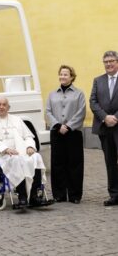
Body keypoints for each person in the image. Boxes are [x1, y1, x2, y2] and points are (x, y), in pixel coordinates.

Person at [0, 96, 46, 207]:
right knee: (16, 160)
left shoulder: (17, 119)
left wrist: (30, 147)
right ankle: (22, 197)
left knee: (36, 157)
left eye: (4, 105)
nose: (1, 107)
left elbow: (28, 136)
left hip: (21, 151)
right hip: (3, 155)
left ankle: (34, 196)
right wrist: (5, 149)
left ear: (8, 107)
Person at [46, 65, 86, 204]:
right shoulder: (52, 94)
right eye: (61, 74)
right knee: (57, 164)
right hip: (56, 133)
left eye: (66, 74)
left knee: (74, 164)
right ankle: (59, 194)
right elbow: (48, 111)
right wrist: (58, 125)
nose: (63, 76)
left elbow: (81, 112)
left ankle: (75, 195)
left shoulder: (79, 94)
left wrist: (68, 126)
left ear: (72, 77)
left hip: (73, 133)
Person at [90, 51, 118, 206]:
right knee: (110, 162)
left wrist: (116, 117)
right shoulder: (98, 80)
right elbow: (93, 101)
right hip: (105, 127)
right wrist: (105, 117)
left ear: (117, 62)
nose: (108, 64)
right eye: (106, 61)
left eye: (111, 61)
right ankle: (114, 195)